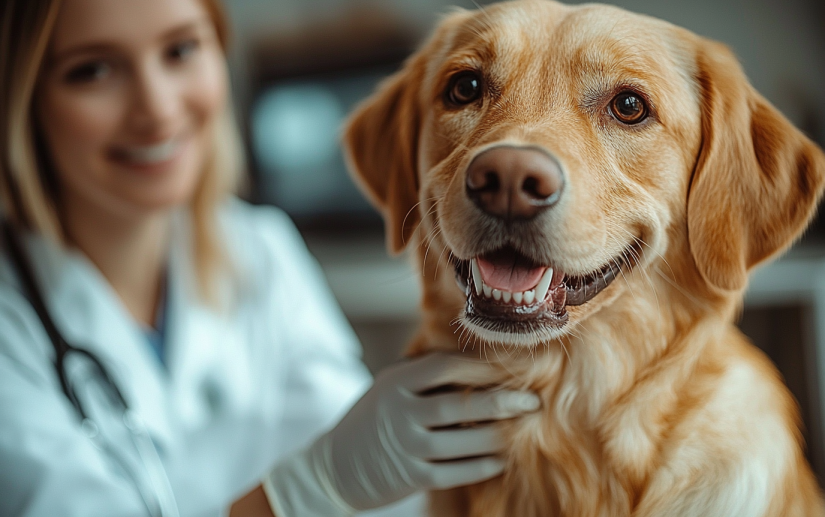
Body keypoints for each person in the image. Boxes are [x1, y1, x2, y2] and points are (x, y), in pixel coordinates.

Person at [0, 0, 542, 515]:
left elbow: (378, 478)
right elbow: (337, 475)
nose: (157, 109)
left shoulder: (260, 250)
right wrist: (308, 490)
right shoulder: (13, 321)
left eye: (180, 50)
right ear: (23, 96)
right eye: (93, 70)